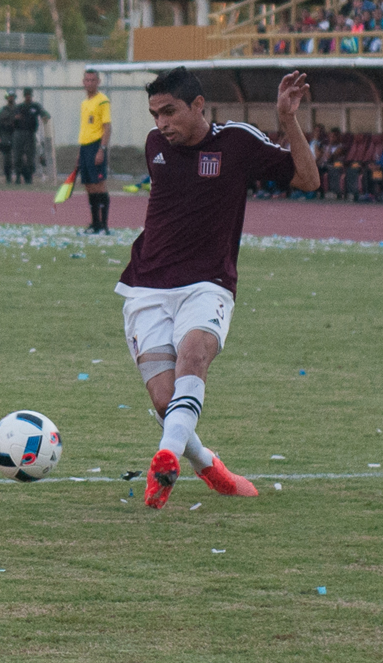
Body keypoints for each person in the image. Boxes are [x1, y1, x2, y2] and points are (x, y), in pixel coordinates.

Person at [115, 67, 319, 509]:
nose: (161, 124)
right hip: (146, 286)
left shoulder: (237, 142)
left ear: (198, 105)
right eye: (154, 115)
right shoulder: (156, 148)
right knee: (165, 401)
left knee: (194, 355)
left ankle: (165, 458)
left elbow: (308, 180)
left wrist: (288, 120)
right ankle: (209, 466)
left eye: (169, 112)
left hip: (208, 284)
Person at [78, 70, 112, 234]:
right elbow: (85, 127)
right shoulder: (85, 103)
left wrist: (102, 149)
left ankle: (104, 224)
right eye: (87, 80)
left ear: (98, 82)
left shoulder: (102, 101)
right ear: (83, 82)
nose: (89, 83)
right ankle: (95, 223)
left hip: (96, 146)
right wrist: (80, 152)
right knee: (89, 186)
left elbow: (107, 127)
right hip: (85, 147)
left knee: (99, 185)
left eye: (92, 80)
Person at [12, 87, 50, 185]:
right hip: (19, 133)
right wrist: (15, 118)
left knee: (30, 157)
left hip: (30, 133)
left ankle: (29, 179)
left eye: (29, 95)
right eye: (26, 95)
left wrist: (44, 116)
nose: (28, 97)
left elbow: (43, 112)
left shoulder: (35, 106)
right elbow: (13, 118)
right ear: (24, 96)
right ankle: (17, 177)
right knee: (17, 157)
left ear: (31, 95)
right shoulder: (19, 107)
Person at [0, 89, 17, 184]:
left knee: (18, 158)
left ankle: (19, 177)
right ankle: (8, 178)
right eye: (9, 96)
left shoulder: (18, 109)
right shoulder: (2, 110)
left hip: (16, 135)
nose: (10, 98)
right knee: (7, 159)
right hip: (5, 136)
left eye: (12, 96)